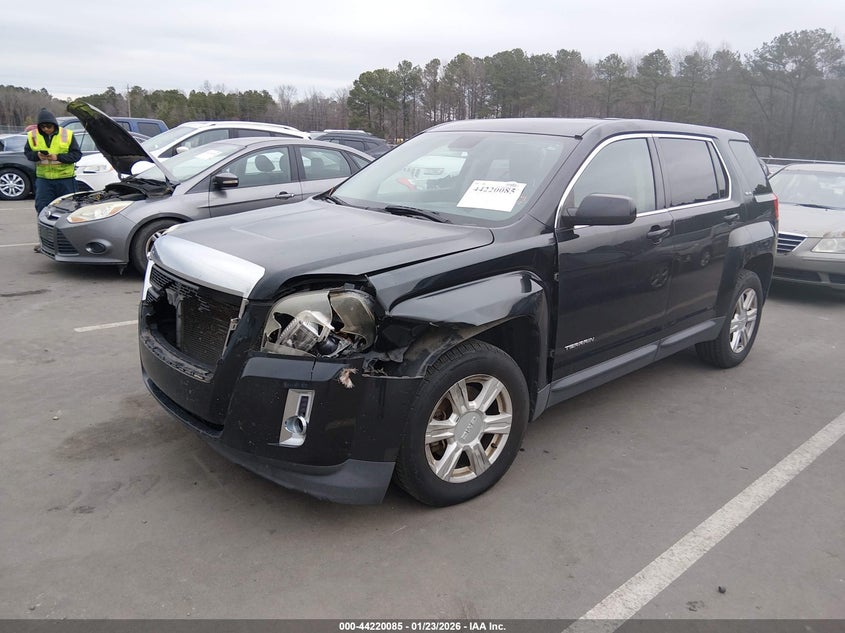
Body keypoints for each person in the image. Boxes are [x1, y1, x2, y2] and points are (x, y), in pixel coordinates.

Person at [24, 109, 82, 251]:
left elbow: (76, 155)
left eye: (49, 126)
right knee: (43, 210)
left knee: (69, 211)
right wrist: (38, 155)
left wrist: (58, 157)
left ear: (54, 125)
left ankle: (70, 243)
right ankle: (45, 243)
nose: (46, 129)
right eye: (43, 127)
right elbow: (27, 154)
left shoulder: (67, 135)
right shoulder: (32, 136)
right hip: (44, 180)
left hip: (65, 180)